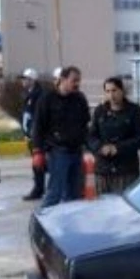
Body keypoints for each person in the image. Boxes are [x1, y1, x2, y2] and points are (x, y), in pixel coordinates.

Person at [31, 65, 90, 208]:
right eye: (74, 80)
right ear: (62, 79)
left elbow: (85, 124)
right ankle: (42, 223)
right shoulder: (47, 99)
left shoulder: (79, 98)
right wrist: (38, 151)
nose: (77, 84)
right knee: (54, 193)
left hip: (76, 151)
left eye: (79, 81)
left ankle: (69, 224)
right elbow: (38, 126)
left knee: (74, 194)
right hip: (58, 152)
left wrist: (87, 148)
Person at [87, 76, 140, 195]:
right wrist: (100, 147)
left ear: (122, 91)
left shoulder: (134, 111)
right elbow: (91, 136)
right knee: (104, 205)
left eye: (114, 90)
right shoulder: (100, 111)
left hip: (126, 169)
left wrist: (119, 148)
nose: (111, 95)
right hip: (103, 169)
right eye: (108, 91)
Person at [20, 68, 46, 201]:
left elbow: (38, 117)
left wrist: (34, 133)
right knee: (37, 163)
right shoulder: (29, 94)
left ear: (32, 80)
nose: (23, 81)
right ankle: (39, 187)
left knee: (39, 163)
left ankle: (39, 188)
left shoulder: (38, 95)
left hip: (37, 136)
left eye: (25, 79)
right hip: (31, 135)